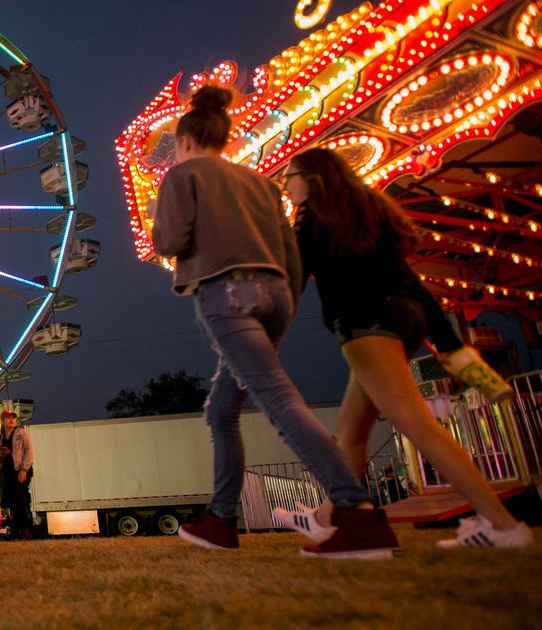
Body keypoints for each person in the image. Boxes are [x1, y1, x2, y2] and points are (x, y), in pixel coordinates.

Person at [151, 84, 397, 558]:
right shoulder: (261, 182)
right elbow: (292, 254)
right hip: (278, 294)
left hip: (227, 292)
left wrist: (168, 216)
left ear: (183, 141)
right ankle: (220, 520)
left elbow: (169, 241)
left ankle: (355, 512)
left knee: (279, 400)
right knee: (221, 411)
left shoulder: (183, 176)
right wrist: (281, 302)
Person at [271, 147, 533, 550]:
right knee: (351, 432)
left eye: (289, 176)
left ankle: (502, 524)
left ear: (313, 178)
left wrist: (259, 326)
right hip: (404, 320)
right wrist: (450, 345)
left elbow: (293, 275)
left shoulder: (311, 215)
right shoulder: (366, 211)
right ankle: (327, 517)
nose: (286, 185)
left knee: (416, 424)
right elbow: (411, 282)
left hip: (364, 325)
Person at [0, 411, 34, 540]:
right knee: (11, 502)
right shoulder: (0, 438)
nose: (11, 420)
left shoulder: (21, 433)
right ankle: (17, 530)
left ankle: (25, 530)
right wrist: (2, 454)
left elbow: (29, 450)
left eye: (13, 418)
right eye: (8, 418)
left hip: (19, 470)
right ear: (2, 421)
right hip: (8, 473)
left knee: (20, 500)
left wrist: (24, 469)